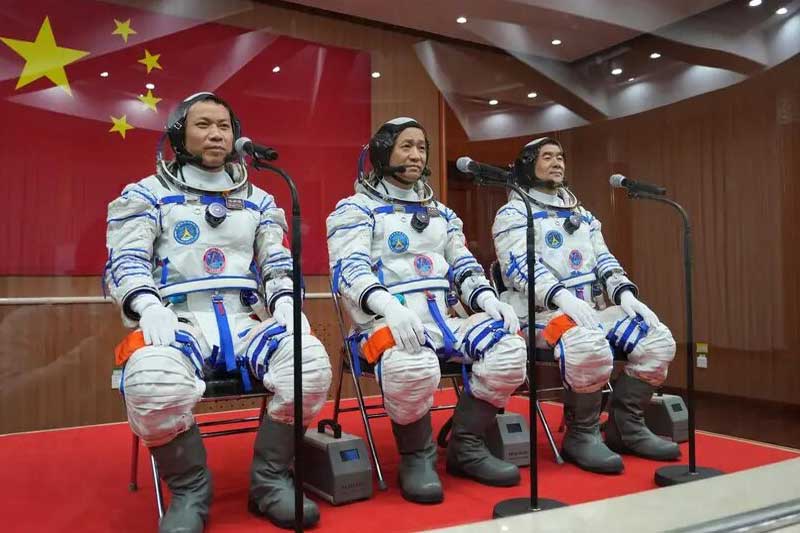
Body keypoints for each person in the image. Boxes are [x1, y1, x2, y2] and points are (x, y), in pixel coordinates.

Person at [105, 92, 332, 531]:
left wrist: (286, 302)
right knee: (152, 380)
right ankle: (189, 491)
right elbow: (125, 260)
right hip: (178, 319)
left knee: (310, 366)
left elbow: (278, 262)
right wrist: (146, 305)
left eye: (224, 126)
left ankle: (270, 481)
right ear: (179, 134)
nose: (216, 134)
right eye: (203, 124)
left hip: (244, 320)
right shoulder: (147, 195)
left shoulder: (261, 200)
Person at [326, 117, 527, 503]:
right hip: (386, 321)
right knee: (411, 364)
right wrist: (388, 307)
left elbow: (464, 265)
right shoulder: (355, 210)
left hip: (446, 320)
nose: (416, 154)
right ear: (383, 152)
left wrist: (488, 300)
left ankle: (466, 447)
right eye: (406, 146)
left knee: (509, 349)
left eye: (421, 147)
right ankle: (416, 457)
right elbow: (349, 270)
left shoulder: (442, 214)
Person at [492, 137, 680, 474]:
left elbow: (604, 260)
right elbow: (520, 267)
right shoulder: (513, 213)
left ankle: (626, 426)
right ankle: (582, 434)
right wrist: (560, 297)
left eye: (560, 156)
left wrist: (625, 295)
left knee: (657, 338)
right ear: (526, 166)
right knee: (587, 343)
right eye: (546, 157)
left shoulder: (581, 214)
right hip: (539, 313)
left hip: (589, 311)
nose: (557, 162)